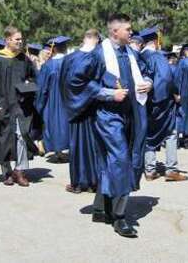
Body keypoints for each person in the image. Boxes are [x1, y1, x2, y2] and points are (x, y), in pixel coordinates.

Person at [68, 14, 152, 237]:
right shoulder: (97, 55)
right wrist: (108, 93)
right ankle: (119, 216)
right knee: (121, 159)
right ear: (115, 31)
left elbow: (147, 71)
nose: (131, 32)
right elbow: (77, 82)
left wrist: (147, 84)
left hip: (131, 114)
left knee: (111, 160)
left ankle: (100, 208)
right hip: (108, 117)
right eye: (128, 29)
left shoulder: (130, 53)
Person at [0, 27, 39, 188]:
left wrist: (29, 85)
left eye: (21, 39)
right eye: (17, 39)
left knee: (22, 135)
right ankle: (7, 171)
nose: (20, 42)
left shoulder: (24, 59)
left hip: (20, 105)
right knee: (3, 138)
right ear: (7, 40)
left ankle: (20, 170)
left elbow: (33, 77)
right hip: (2, 105)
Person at [138, 27, 187, 182]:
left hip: (143, 102)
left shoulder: (137, 57)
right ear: (155, 42)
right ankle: (171, 169)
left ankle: (150, 170)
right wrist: (175, 94)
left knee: (148, 133)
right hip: (161, 103)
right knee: (171, 133)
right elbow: (167, 78)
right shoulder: (158, 57)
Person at [61, 29, 103, 193]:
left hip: (75, 109)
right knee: (94, 145)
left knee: (77, 146)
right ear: (97, 40)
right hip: (94, 108)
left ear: (84, 39)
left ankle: (78, 182)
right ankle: (95, 182)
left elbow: (63, 84)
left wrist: (71, 104)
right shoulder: (98, 57)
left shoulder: (69, 59)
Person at [35, 36, 72, 162]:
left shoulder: (48, 66)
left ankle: (58, 151)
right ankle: (69, 150)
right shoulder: (71, 61)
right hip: (70, 99)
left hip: (53, 100)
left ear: (54, 49)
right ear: (65, 48)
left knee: (54, 123)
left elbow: (42, 88)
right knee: (68, 123)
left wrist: (39, 105)